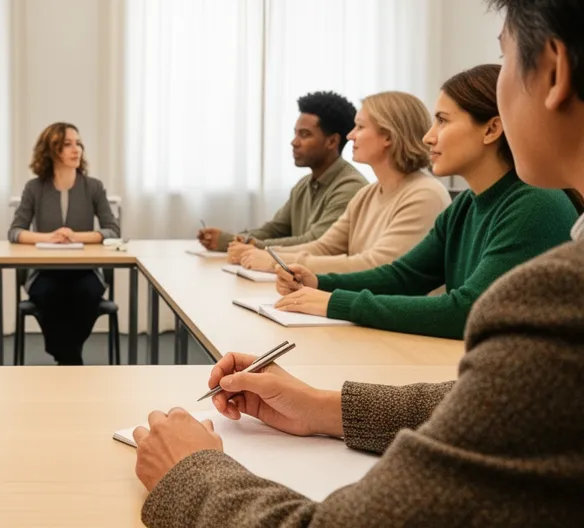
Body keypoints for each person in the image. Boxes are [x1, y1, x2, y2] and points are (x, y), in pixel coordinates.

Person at [131, 1, 584, 525]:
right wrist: (326, 408)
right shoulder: (474, 212)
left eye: (502, 58)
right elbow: (501, 398)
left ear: (554, 70)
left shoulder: (557, 286)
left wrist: (190, 471)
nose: (429, 137)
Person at [270, 64, 577, 339]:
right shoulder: (467, 204)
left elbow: (468, 311)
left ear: (492, 129)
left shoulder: (535, 203)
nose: (429, 137)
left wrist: (335, 302)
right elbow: (404, 276)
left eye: (442, 121)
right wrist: (319, 283)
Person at [237, 92, 451, 274]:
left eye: (359, 127)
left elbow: (376, 266)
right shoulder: (367, 194)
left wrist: (275, 262)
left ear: (388, 137)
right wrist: (262, 253)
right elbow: (325, 247)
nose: (350, 136)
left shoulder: (425, 194)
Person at [197, 91, 367, 255]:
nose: (294, 142)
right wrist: (233, 240)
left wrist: (242, 244)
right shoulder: (304, 184)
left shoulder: (350, 187)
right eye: (296, 133)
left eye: (305, 134)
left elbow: (316, 243)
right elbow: (275, 229)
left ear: (332, 141)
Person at [8, 122, 119, 365]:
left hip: (86, 272)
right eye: (67, 144)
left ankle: (65, 358)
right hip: (45, 272)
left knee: (85, 294)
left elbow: (112, 230)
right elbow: (15, 232)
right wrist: (48, 237)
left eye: (78, 143)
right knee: (50, 295)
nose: (76, 149)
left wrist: (77, 236)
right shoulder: (34, 187)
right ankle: (71, 360)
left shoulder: (94, 186)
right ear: (51, 150)